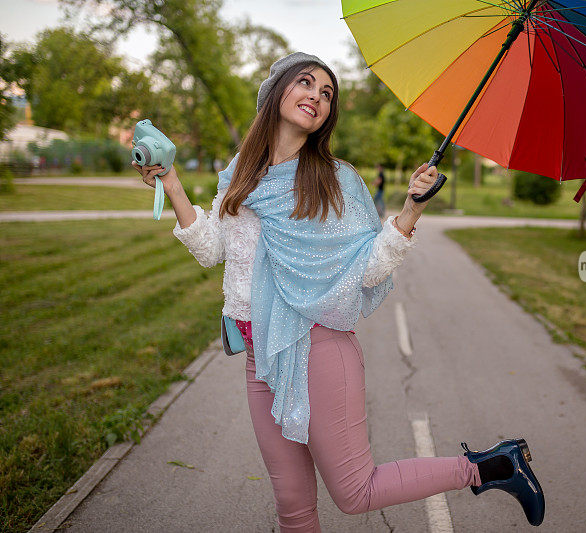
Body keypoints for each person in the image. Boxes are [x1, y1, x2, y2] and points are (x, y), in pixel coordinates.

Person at [133, 52, 544, 531]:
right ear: (276, 92)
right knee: (292, 504)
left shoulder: (334, 180)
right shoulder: (241, 174)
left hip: (320, 351)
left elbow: (367, 268)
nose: (317, 97)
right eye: (307, 83)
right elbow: (211, 249)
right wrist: (172, 182)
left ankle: (490, 467)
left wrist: (410, 210)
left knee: (355, 491)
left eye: (327, 93)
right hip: (260, 357)